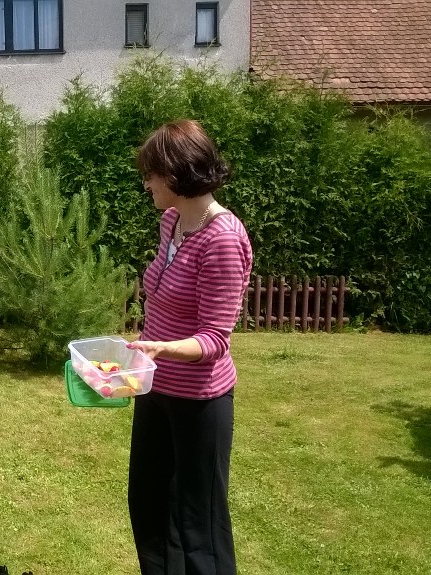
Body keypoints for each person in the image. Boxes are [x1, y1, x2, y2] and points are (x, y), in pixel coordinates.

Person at [126, 119, 252, 575]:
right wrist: (141, 348)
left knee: (198, 525)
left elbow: (214, 340)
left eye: (152, 174)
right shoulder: (172, 221)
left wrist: (157, 348)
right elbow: (164, 300)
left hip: (200, 402)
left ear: (177, 173)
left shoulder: (222, 239)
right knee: (149, 505)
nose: (147, 184)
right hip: (155, 390)